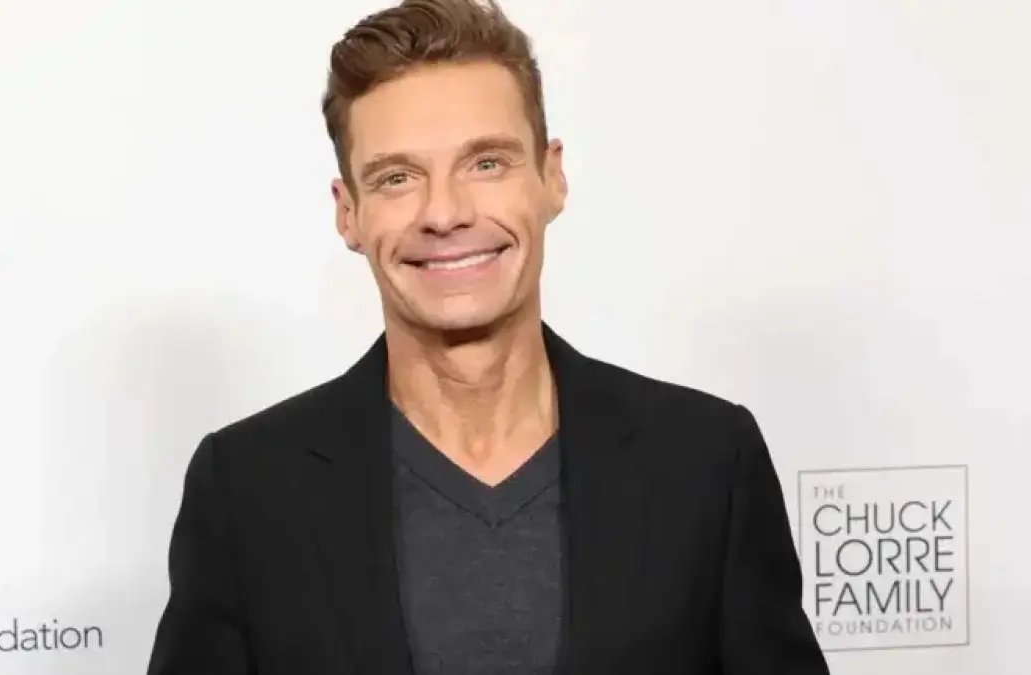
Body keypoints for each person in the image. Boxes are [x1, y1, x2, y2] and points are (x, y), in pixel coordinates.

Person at [146, 0, 830, 673]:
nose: (444, 213)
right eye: (397, 178)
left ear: (552, 178)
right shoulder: (246, 490)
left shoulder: (706, 463)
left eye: (487, 163)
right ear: (348, 212)